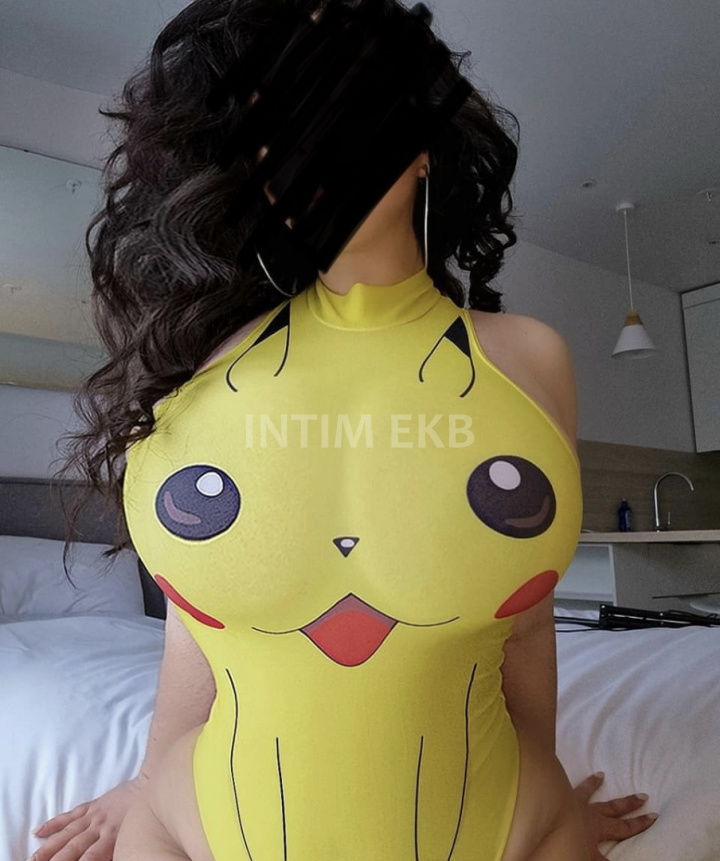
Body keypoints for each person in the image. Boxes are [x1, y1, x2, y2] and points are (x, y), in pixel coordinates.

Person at [41, 0, 659, 859]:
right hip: (196, 827)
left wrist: (542, 776)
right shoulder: (206, 364)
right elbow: (198, 622)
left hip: (513, 826)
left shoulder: (529, 360)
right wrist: (146, 783)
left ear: (421, 141)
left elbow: (525, 623)